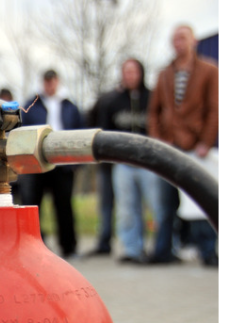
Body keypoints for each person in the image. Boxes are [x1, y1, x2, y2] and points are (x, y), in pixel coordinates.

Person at [147, 24, 219, 264]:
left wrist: (206, 142)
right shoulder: (164, 74)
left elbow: (214, 109)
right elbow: (154, 111)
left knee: (199, 201)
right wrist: (157, 139)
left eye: (182, 38)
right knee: (165, 202)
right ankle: (163, 251)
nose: (178, 43)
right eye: (174, 39)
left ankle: (208, 251)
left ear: (193, 41)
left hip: (196, 146)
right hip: (169, 146)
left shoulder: (209, 70)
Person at [97, 58, 162, 265]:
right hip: (123, 163)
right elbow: (103, 130)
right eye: (126, 72)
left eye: (134, 71)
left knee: (157, 206)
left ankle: (164, 247)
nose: (130, 75)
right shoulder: (112, 101)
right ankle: (132, 249)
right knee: (127, 208)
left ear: (141, 73)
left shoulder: (152, 98)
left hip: (149, 163)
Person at [18, 69, 85, 259]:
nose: (49, 84)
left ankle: (69, 247)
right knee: (32, 206)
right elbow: (23, 130)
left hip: (62, 163)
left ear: (57, 81)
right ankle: (32, 246)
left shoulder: (70, 106)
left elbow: (79, 130)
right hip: (36, 163)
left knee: (64, 206)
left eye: (52, 80)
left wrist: (76, 163)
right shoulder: (31, 105)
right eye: (46, 81)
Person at [84, 89, 115, 257]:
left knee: (112, 206)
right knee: (106, 205)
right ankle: (104, 241)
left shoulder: (110, 101)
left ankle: (108, 242)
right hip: (105, 163)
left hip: (112, 162)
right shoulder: (104, 102)